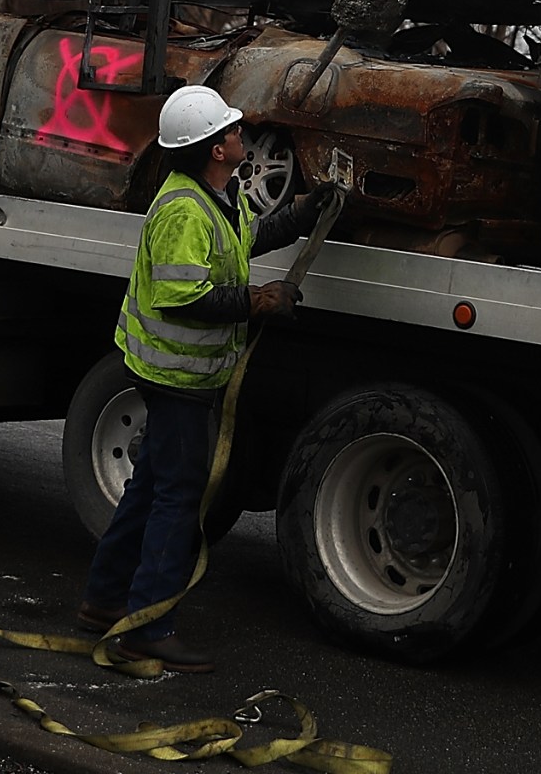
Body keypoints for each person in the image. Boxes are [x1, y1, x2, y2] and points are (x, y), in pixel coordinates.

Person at [80, 84, 331, 673]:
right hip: (174, 376)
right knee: (178, 498)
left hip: (182, 373)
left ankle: (103, 600)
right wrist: (259, 302)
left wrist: (298, 215)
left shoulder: (217, 196)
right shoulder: (182, 211)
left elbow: (248, 239)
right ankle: (148, 628)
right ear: (216, 149)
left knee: (148, 488)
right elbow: (181, 296)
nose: (242, 136)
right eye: (234, 131)